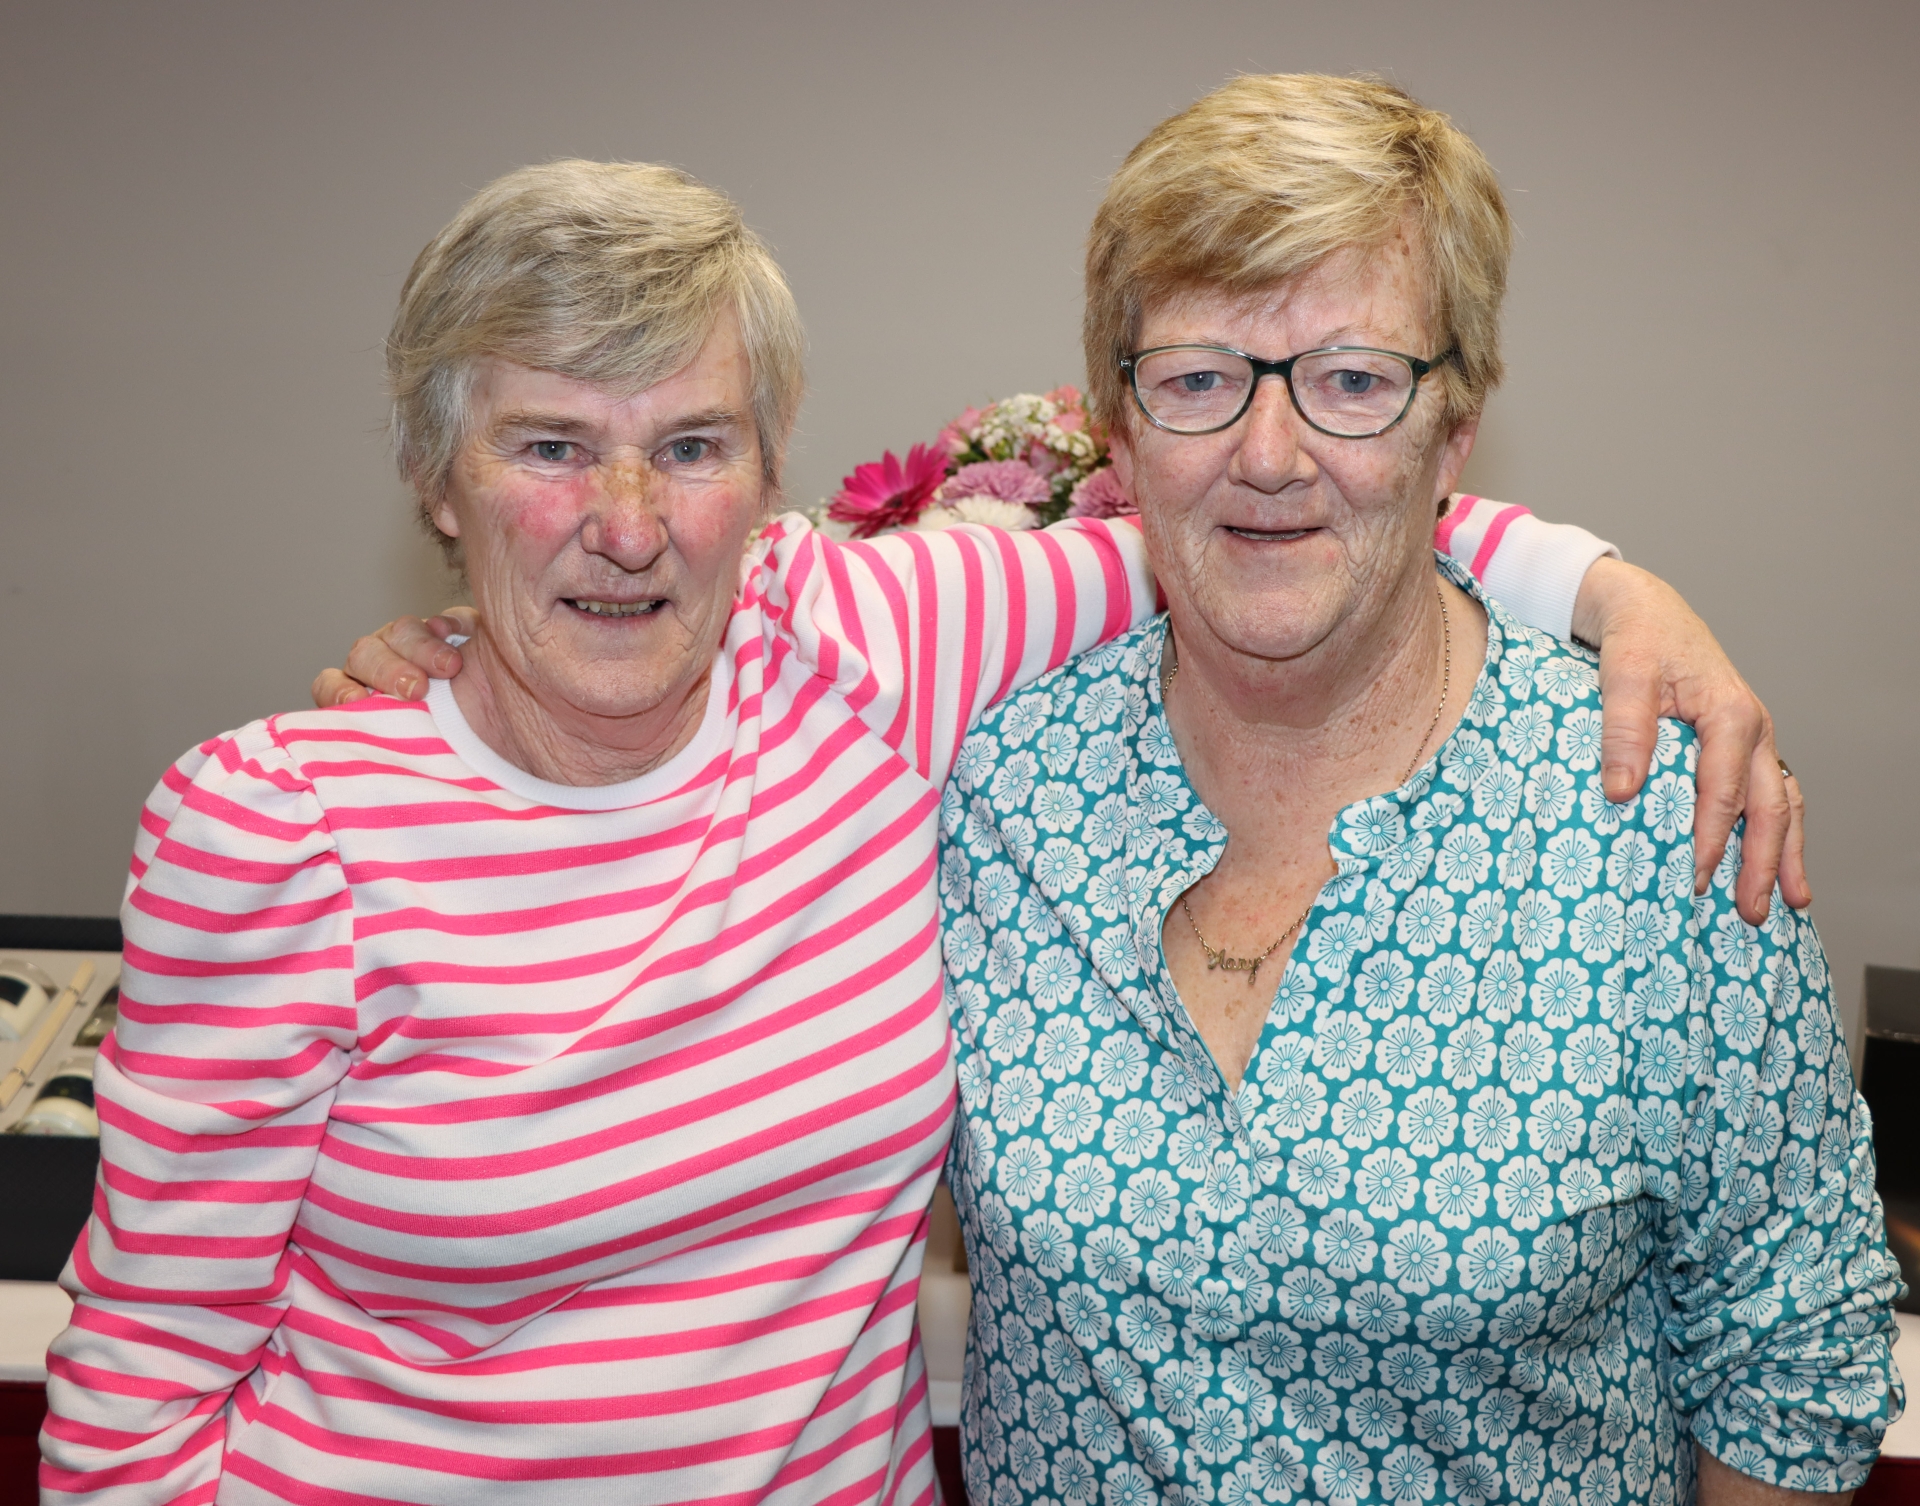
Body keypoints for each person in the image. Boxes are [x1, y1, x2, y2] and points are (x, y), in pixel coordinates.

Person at [43, 154, 1796, 1505]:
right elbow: (133, 1399)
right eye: (551, 446)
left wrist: (1613, 594)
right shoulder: (278, 830)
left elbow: (1275, 515)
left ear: (772, 478)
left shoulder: (869, 653)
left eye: (693, 445)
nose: (629, 523)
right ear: (440, 479)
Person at [936, 74, 1900, 1506]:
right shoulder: (994, 791)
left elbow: (1792, 1358)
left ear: (1453, 428)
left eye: (1351, 381)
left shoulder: (1657, 821)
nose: (1270, 457)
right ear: (1119, 432)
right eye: (1198, 379)